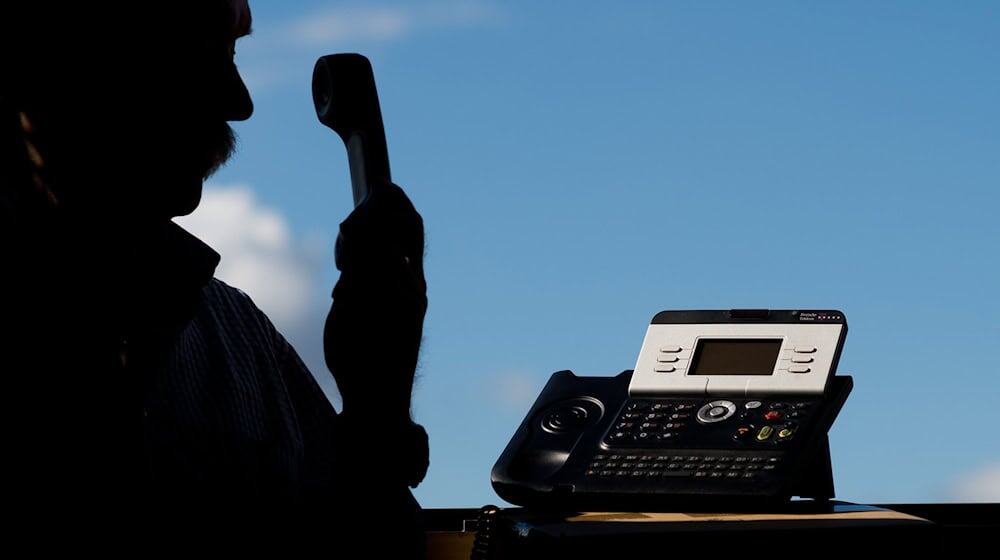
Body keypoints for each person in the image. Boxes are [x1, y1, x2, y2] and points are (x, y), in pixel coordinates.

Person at [1, 1, 429, 551]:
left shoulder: (235, 334)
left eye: (231, 52)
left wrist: (377, 408)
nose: (240, 101)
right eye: (193, 53)